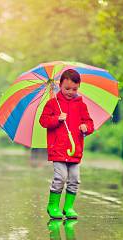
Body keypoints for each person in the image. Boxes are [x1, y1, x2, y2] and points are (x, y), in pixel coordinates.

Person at [40, 69, 94, 219]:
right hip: (58, 149)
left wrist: (86, 128)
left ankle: (69, 207)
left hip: (75, 149)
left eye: (74, 89)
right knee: (60, 177)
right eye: (67, 88)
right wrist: (57, 118)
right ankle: (53, 205)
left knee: (74, 179)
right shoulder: (52, 103)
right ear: (59, 85)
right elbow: (43, 121)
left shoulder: (81, 105)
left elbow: (89, 122)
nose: (70, 92)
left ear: (79, 87)